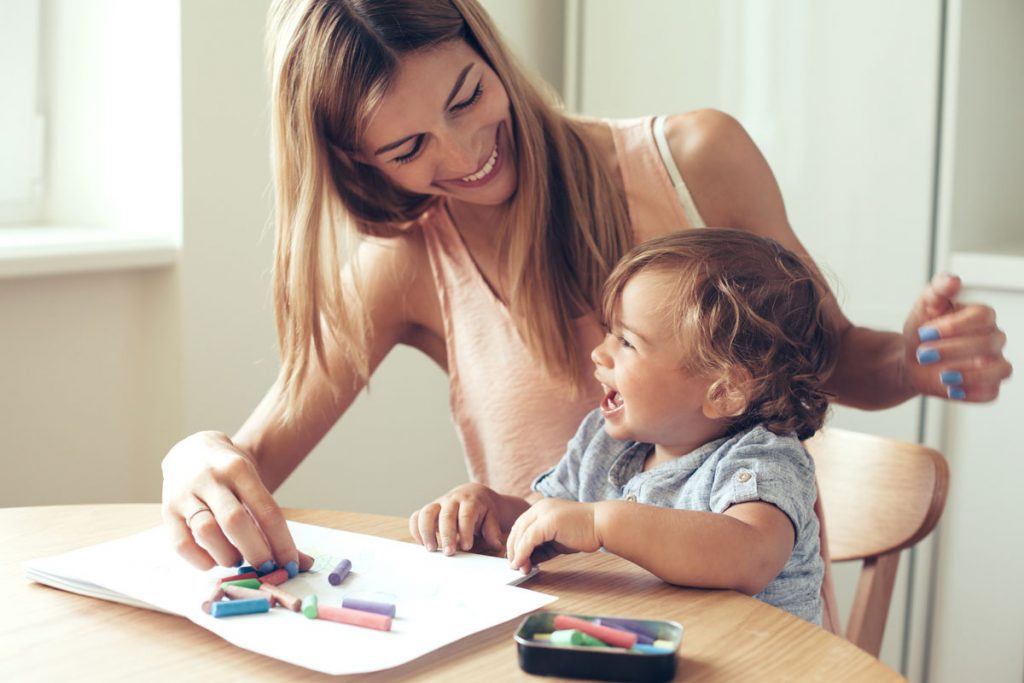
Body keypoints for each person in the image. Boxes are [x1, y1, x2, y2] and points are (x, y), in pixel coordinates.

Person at [160, 0, 1011, 632]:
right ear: (358, 162)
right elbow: (253, 459)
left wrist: (912, 360)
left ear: (486, 46)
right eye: (409, 147)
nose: (464, 153)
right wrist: (193, 458)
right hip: (563, 645)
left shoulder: (695, 160)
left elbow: (828, 356)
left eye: (466, 96)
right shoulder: (406, 262)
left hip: (744, 648)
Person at [410, 229, 836, 624]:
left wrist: (603, 523)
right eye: (608, 332)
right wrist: (492, 511)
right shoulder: (603, 442)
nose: (599, 353)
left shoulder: (763, 459)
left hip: (759, 663)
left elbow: (750, 556)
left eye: (627, 342)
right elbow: (550, 518)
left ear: (723, 391)